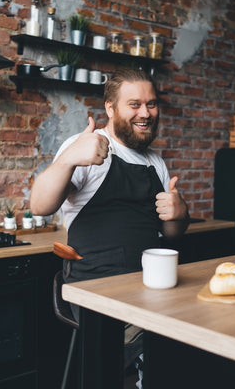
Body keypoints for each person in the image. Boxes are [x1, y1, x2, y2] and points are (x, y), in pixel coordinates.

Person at [30, 67, 189, 382]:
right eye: (134, 104)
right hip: (96, 290)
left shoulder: (155, 161)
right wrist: (67, 160)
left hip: (149, 288)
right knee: (170, 339)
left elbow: (170, 233)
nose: (145, 113)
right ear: (110, 108)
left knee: (194, 327)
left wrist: (179, 214)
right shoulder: (86, 146)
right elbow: (40, 206)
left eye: (152, 103)